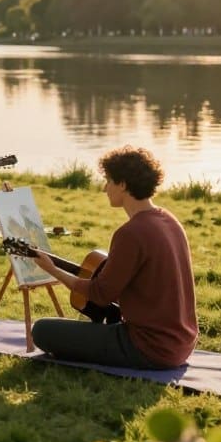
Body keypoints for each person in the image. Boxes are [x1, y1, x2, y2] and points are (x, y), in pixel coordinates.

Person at [29, 146, 197, 369]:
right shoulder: (169, 220)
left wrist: (52, 270)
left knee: (42, 330)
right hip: (182, 343)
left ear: (123, 184)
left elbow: (100, 295)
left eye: (108, 181)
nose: (105, 188)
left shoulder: (131, 233)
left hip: (149, 348)